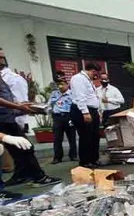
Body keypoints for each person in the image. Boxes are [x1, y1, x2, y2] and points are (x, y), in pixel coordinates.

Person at [0, 52, 60, 187]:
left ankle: (21, 175)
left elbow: (8, 98)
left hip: (7, 117)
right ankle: (39, 177)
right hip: (4, 119)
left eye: (4, 57)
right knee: (26, 147)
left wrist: (22, 107)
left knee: (16, 148)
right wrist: (18, 107)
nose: (3, 60)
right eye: (0, 57)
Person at [70, 62, 102, 168]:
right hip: (82, 111)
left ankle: (94, 159)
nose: (95, 76)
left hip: (92, 110)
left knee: (95, 136)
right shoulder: (78, 79)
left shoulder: (88, 79)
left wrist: (97, 111)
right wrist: (85, 112)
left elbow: (92, 97)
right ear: (92, 71)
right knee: (86, 136)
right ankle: (85, 161)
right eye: (95, 73)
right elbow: (80, 97)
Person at [49, 72, 77, 164]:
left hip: (69, 116)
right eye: (58, 84)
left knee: (72, 138)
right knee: (57, 138)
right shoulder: (54, 94)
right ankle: (57, 157)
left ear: (67, 84)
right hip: (57, 117)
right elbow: (49, 105)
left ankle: (73, 155)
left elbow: (76, 105)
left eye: (62, 84)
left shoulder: (72, 94)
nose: (60, 86)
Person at [0, 59, 29, 133]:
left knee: (23, 144)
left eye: (2, 58)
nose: (2, 60)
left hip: (9, 120)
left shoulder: (14, 78)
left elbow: (20, 99)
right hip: (6, 120)